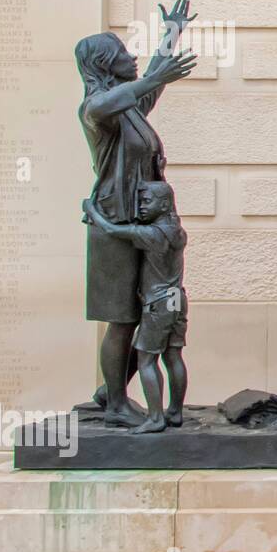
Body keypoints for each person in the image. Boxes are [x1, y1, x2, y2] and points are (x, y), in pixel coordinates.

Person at [76, 0, 197, 427]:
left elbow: (150, 84)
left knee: (143, 313)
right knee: (122, 319)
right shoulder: (98, 109)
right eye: (125, 54)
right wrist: (153, 76)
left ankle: (112, 390)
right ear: (107, 67)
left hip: (140, 223)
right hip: (114, 224)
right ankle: (116, 404)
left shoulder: (128, 108)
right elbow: (140, 85)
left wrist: (171, 34)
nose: (133, 57)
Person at [83, 182, 188, 434]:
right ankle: (174, 412)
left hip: (158, 303)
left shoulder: (152, 234)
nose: (141, 206)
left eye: (147, 201)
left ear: (164, 204)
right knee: (173, 356)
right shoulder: (177, 230)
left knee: (147, 360)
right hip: (176, 298)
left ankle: (155, 418)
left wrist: (92, 209)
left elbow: (110, 229)